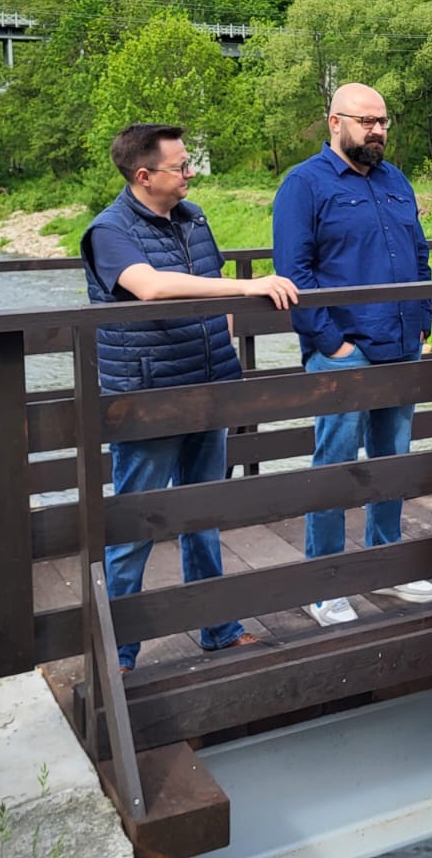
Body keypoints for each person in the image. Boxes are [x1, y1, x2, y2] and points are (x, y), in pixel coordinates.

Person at [81, 123, 299, 672]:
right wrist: (248, 286)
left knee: (203, 514)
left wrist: (224, 342)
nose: (190, 173)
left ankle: (218, 630)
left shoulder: (193, 217)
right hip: (150, 397)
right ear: (143, 175)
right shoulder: (108, 231)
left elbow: (210, 282)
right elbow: (151, 286)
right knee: (136, 523)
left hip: (209, 387)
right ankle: (116, 653)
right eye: (180, 166)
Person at [272, 82, 432, 626]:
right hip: (344, 352)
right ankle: (324, 583)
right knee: (336, 465)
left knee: (393, 461)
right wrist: (332, 343)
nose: (377, 130)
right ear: (335, 122)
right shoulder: (304, 184)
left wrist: (423, 320)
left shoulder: (396, 180)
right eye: (366, 121)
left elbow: (419, 255)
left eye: (382, 121)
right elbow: (293, 272)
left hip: (402, 345)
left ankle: (385, 566)